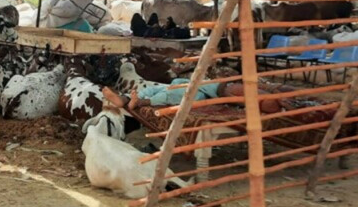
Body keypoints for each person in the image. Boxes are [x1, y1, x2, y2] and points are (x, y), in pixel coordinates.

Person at [102, 80, 281, 114]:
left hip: (199, 91)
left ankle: (133, 100)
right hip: (200, 88)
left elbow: (269, 104)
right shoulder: (237, 88)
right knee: (164, 90)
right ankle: (127, 99)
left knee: (170, 94)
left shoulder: (267, 98)